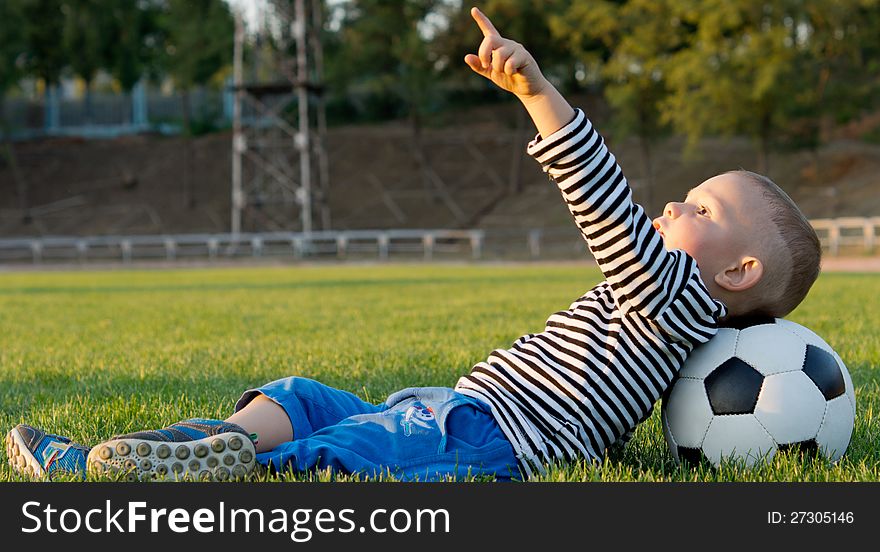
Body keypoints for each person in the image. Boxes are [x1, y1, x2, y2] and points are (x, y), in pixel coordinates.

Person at [4, 7, 821, 482]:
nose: (676, 202)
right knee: (301, 394)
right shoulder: (670, 303)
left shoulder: (678, 293)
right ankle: (183, 447)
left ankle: (170, 472)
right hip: (451, 410)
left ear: (736, 270)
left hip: (490, 436)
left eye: (703, 208)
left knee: (341, 449)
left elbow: (598, 200)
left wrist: (540, 95)